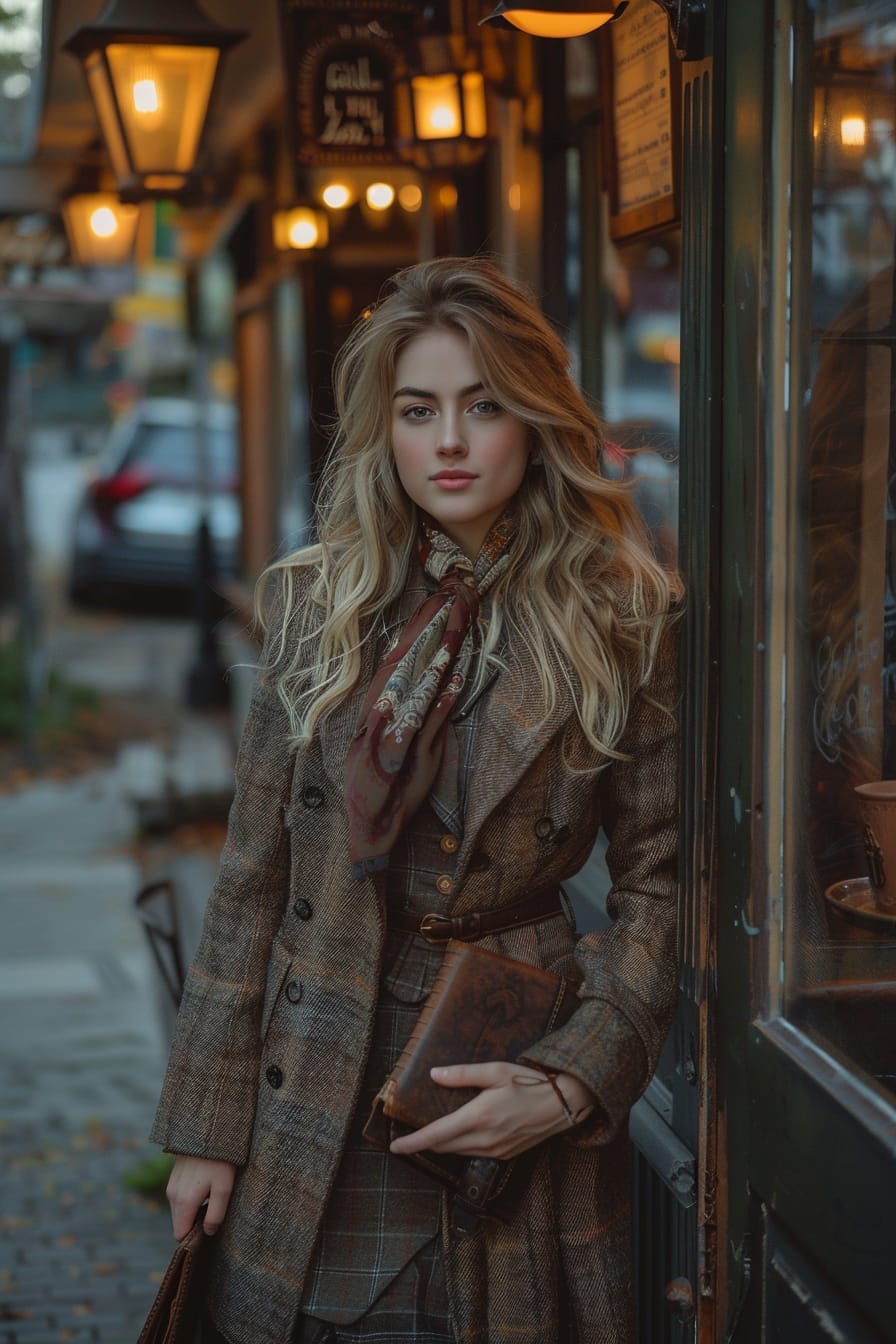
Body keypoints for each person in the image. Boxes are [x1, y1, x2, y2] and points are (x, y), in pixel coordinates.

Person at [151, 256, 680, 1344]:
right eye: (417, 409)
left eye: (482, 406)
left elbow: (663, 882)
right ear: (380, 428)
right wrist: (205, 1130)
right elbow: (252, 883)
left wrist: (573, 1078)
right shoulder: (317, 603)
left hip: (495, 1072)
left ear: (533, 420)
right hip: (311, 1075)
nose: (447, 440)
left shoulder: (616, 612)